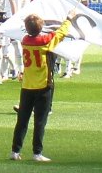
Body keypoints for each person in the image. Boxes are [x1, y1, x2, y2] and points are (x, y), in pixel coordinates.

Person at [10, 11, 74, 162]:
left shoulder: (25, 40)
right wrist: (69, 19)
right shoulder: (46, 41)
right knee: (40, 121)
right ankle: (37, 152)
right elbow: (61, 33)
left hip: (27, 86)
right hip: (43, 85)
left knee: (22, 120)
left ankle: (15, 150)